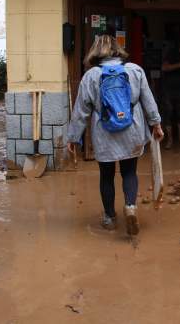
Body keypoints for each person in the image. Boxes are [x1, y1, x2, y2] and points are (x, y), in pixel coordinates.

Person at [67, 35, 164, 235]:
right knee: (129, 172)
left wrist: (73, 137)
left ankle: (110, 217)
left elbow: (81, 110)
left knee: (106, 175)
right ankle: (130, 206)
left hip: (104, 133)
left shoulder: (91, 76)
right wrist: (156, 124)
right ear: (117, 50)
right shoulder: (135, 70)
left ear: (95, 51)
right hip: (133, 130)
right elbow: (148, 100)